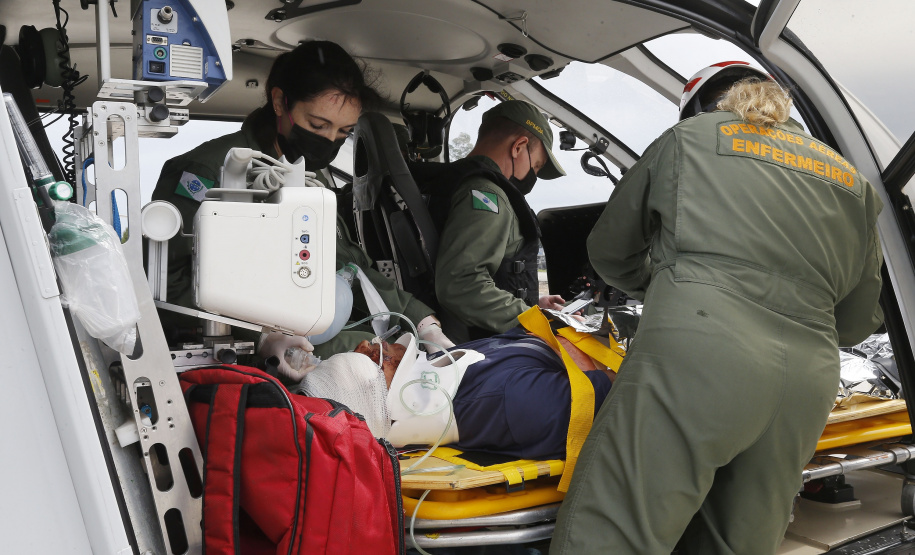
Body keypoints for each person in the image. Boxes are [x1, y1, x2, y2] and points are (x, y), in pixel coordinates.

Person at [550, 62, 885, 555]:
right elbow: (856, 323)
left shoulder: (689, 137)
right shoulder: (851, 181)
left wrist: (667, 285)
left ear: (700, 107)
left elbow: (610, 251)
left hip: (698, 352)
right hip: (806, 384)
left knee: (615, 534)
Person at [151, 41, 453, 380]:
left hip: (312, 326)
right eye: (318, 125)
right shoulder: (206, 172)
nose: (329, 140)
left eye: (344, 132)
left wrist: (422, 321)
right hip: (235, 345)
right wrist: (261, 335)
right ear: (280, 102)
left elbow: (346, 263)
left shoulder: (310, 177)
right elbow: (165, 285)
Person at [298, 326, 615, 460]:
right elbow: (622, 397)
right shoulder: (510, 401)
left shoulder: (442, 370)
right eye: (369, 358)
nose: (367, 344)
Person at [433, 100, 568, 343]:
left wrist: (533, 303)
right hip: (486, 345)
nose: (534, 175)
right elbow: (462, 283)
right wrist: (535, 319)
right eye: (537, 166)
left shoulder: (451, 181)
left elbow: (495, 275)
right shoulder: (486, 196)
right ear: (518, 147)